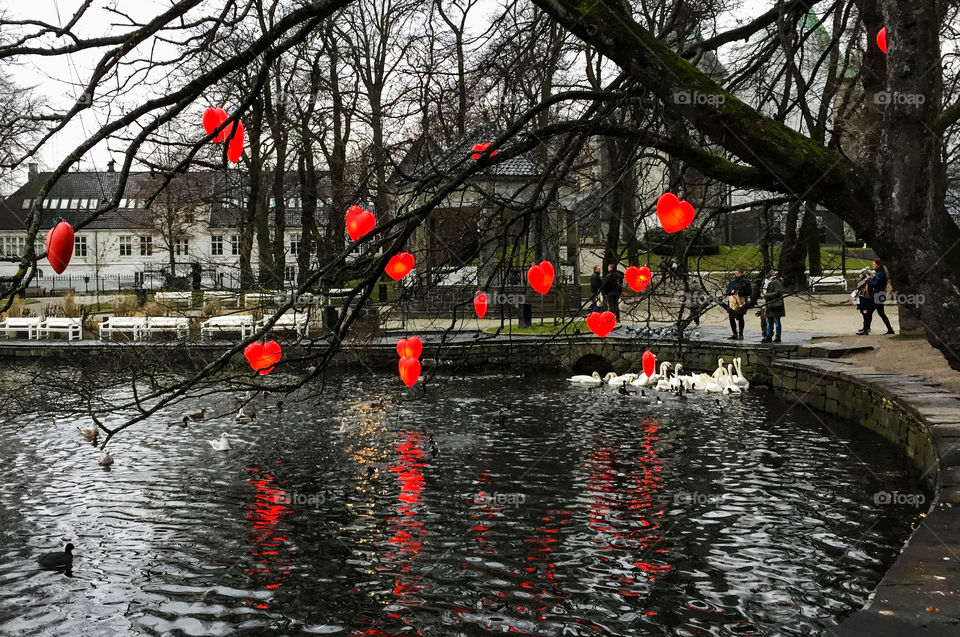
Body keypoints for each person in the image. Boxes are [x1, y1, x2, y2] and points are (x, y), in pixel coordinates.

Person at [859, 259, 895, 335]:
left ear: (878, 265)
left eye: (874, 265)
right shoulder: (880, 273)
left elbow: (875, 283)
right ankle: (890, 329)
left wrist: (868, 280)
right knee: (881, 313)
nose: (873, 266)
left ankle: (866, 330)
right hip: (880, 295)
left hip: (877, 296)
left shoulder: (880, 274)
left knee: (869, 312)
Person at [725, 268, 751, 339]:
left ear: (742, 273)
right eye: (736, 273)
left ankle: (741, 334)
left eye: (738, 273)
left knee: (740, 318)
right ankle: (734, 334)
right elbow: (727, 291)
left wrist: (739, 292)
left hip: (741, 302)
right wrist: (731, 292)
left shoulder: (746, 282)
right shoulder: (732, 282)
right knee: (731, 318)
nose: (736, 274)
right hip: (732, 302)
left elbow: (749, 292)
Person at [762, 271, 785, 343]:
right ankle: (769, 336)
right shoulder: (766, 282)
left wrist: (766, 295)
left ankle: (778, 336)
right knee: (769, 321)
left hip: (776, 304)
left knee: (776, 321)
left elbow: (778, 292)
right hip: (769, 304)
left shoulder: (776, 282)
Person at [755, 270, 774, 334]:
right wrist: (762, 293)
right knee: (763, 319)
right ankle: (764, 333)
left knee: (768, 319)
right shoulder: (764, 281)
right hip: (763, 300)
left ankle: (769, 333)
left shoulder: (773, 281)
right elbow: (761, 288)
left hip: (769, 301)